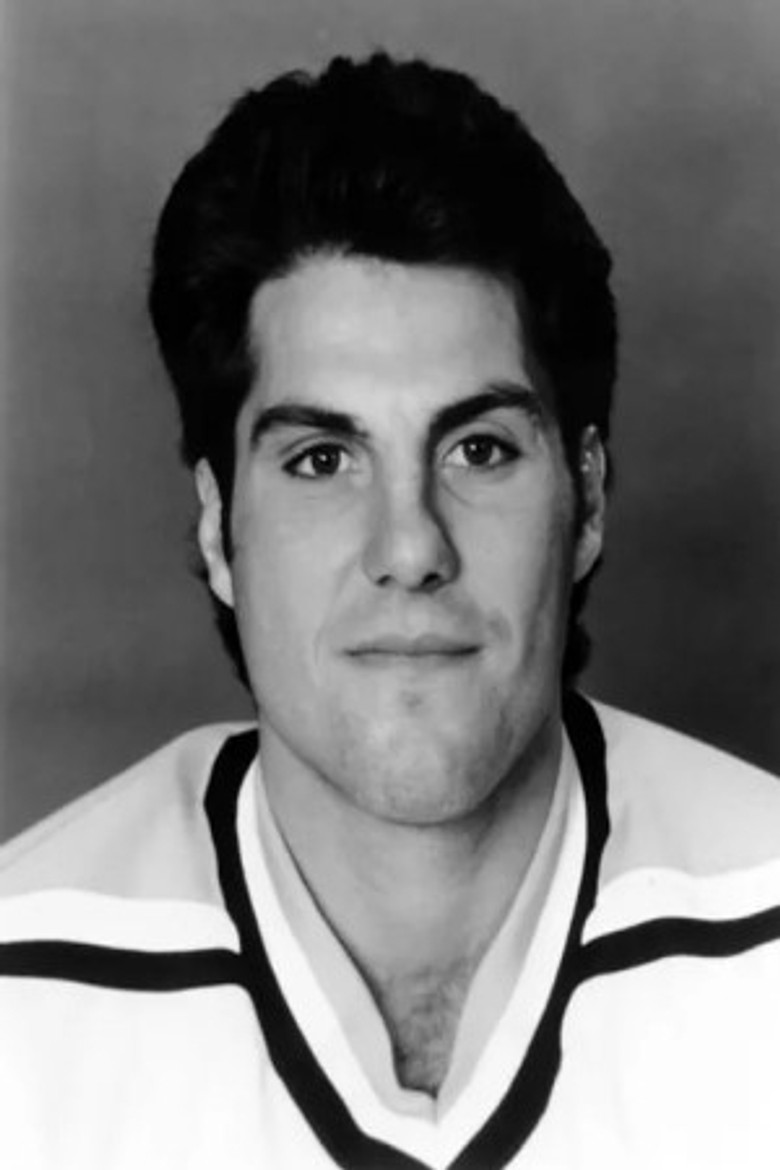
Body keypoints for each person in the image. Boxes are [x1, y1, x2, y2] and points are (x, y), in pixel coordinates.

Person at [0, 52, 778, 1170]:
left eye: (479, 450)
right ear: (219, 528)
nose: (410, 548)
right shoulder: (22, 1006)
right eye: (322, 459)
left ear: (588, 499)